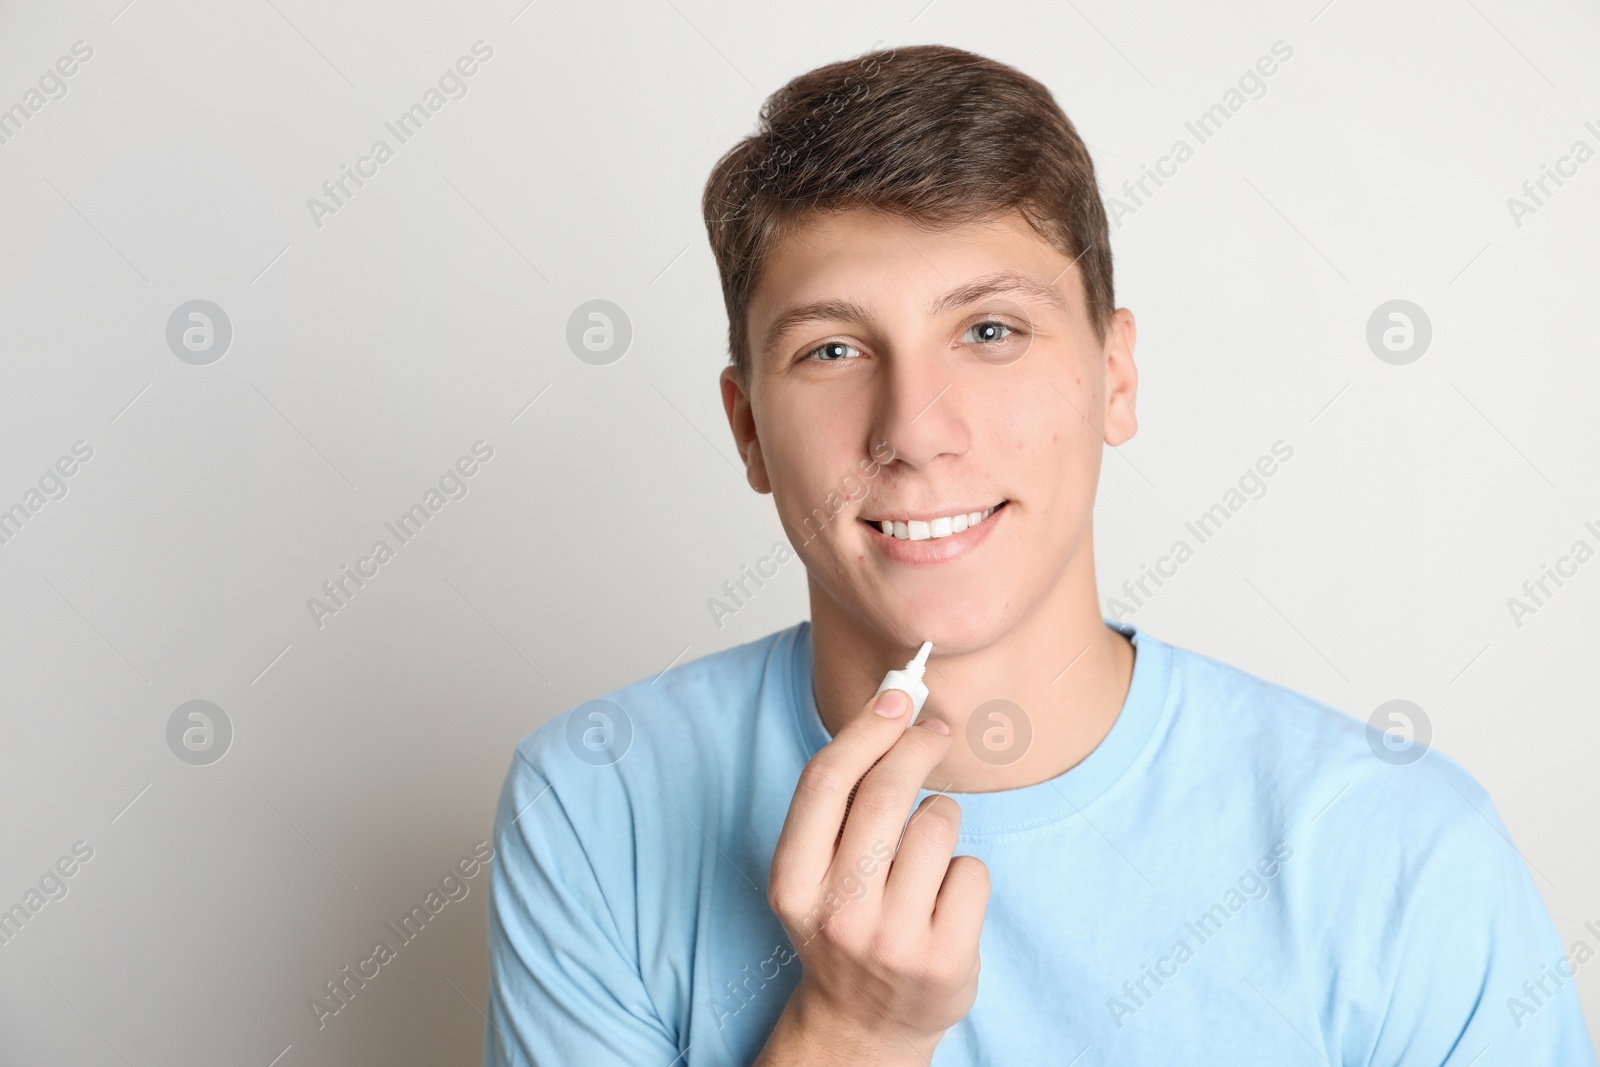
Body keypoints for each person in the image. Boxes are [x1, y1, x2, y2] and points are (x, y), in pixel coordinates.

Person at [481, 44, 1596, 1065]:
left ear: (1115, 376)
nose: (913, 428)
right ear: (746, 430)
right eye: (831, 347)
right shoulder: (598, 797)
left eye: (990, 331)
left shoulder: (1397, 850)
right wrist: (849, 1030)